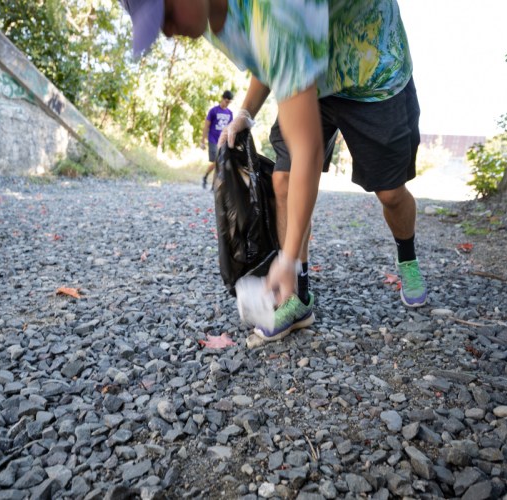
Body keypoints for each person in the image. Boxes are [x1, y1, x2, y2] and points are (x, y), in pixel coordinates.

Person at [121, 0, 428, 342]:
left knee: (390, 193)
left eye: (165, 14)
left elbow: (306, 150)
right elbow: (268, 53)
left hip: (371, 73)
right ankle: (297, 297)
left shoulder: (277, 9)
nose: (166, 31)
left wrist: (288, 256)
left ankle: (407, 258)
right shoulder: (207, 16)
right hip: (309, 68)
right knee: (282, 180)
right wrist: (245, 113)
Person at [201, 90, 234, 189]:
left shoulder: (230, 113)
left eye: (229, 102)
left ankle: (210, 182)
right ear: (222, 99)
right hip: (213, 139)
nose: (227, 104)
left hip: (223, 141)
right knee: (217, 161)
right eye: (226, 101)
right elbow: (206, 126)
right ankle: (208, 179)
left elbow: (230, 128)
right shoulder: (213, 111)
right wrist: (202, 141)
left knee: (220, 162)